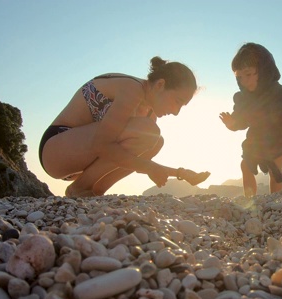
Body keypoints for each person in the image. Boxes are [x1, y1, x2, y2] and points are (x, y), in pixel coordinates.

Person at [39, 56, 210, 197]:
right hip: (55, 150)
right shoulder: (132, 89)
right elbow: (102, 145)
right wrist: (150, 168)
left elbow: (135, 160)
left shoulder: (148, 114)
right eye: (177, 101)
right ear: (160, 85)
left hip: (79, 161)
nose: (176, 112)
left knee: (155, 141)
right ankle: (79, 188)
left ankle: (95, 190)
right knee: (148, 132)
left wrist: (181, 173)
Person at [219, 43, 282, 197]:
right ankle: (250, 199)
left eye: (249, 74)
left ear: (264, 71)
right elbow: (242, 120)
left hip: (279, 138)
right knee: (245, 165)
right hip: (256, 139)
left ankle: (276, 199)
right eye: (239, 77)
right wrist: (232, 123)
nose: (244, 81)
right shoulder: (244, 99)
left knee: (276, 169)